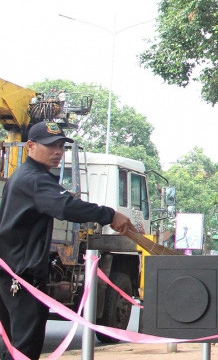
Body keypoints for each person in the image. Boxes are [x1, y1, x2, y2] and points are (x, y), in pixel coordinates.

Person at [0, 122, 137, 360]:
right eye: (50, 146)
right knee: (24, 347)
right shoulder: (34, 179)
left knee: (9, 345)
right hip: (23, 278)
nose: (58, 152)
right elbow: (66, 206)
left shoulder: (23, 175)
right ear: (30, 146)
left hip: (10, 273)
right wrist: (110, 215)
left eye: (61, 146)